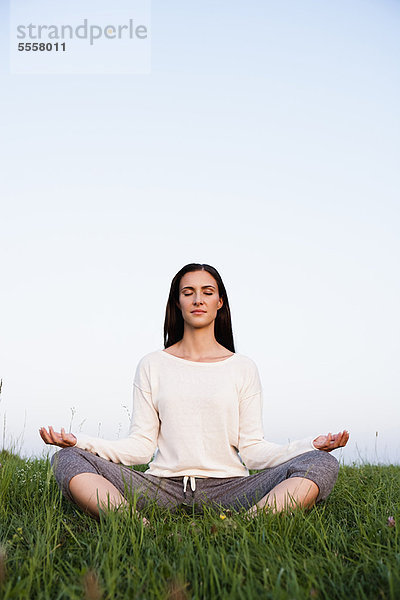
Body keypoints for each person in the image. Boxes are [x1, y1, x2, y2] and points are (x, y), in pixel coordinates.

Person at [40, 263, 349, 523]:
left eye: (207, 292)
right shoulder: (153, 364)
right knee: (67, 459)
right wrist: (79, 441)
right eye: (188, 293)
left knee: (322, 464)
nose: (198, 299)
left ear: (220, 302)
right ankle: (138, 525)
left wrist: (312, 445)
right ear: (178, 303)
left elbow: (253, 449)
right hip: (162, 488)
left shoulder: (242, 367)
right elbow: (140, 447)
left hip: (230, 490)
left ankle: (242, 526)